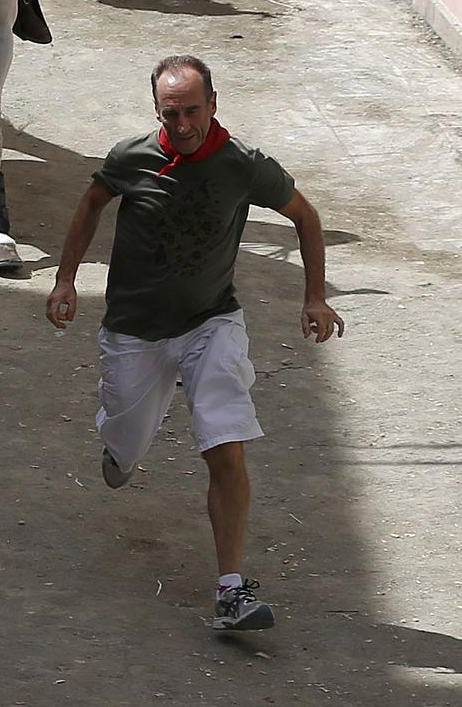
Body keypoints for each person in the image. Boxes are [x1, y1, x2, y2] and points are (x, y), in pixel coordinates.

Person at [46, 53, 343, 635]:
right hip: (134, 331)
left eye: (192, 110)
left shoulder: (244, 165)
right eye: (170, 112)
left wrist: (314, 297)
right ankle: (119, 442)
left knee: (225, 443)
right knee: (125, 452)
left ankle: (232, 591)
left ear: (214, 105)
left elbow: (306, 217)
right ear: (157, 110)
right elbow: (89, 206)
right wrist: (65, 278)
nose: (182, 124)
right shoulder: (131, 156)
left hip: (212, 323)